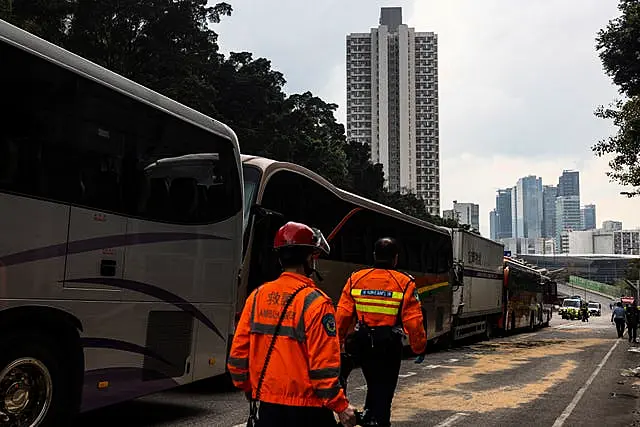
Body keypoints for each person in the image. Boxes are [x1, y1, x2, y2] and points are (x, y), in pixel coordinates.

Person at [227, 222, 357, 427]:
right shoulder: (317, 303)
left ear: (279, 257)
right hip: (309, 411)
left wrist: (250, 388)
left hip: (269, 408)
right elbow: (323, 368)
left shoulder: (257, 297)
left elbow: (237, 358)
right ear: (309, 258)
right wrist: (340, 406)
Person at [336, 237, 427, 427]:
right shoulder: (405, 282)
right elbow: (414, 321)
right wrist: (419, 348)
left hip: (362, 344)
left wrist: (335, 345)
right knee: (384, 389)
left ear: (375, 255)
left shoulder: (356, 279)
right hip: (389, 346)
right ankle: (377, 420)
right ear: (395, 258)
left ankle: (370, 416)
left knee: (374, 384)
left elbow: (342, 317)